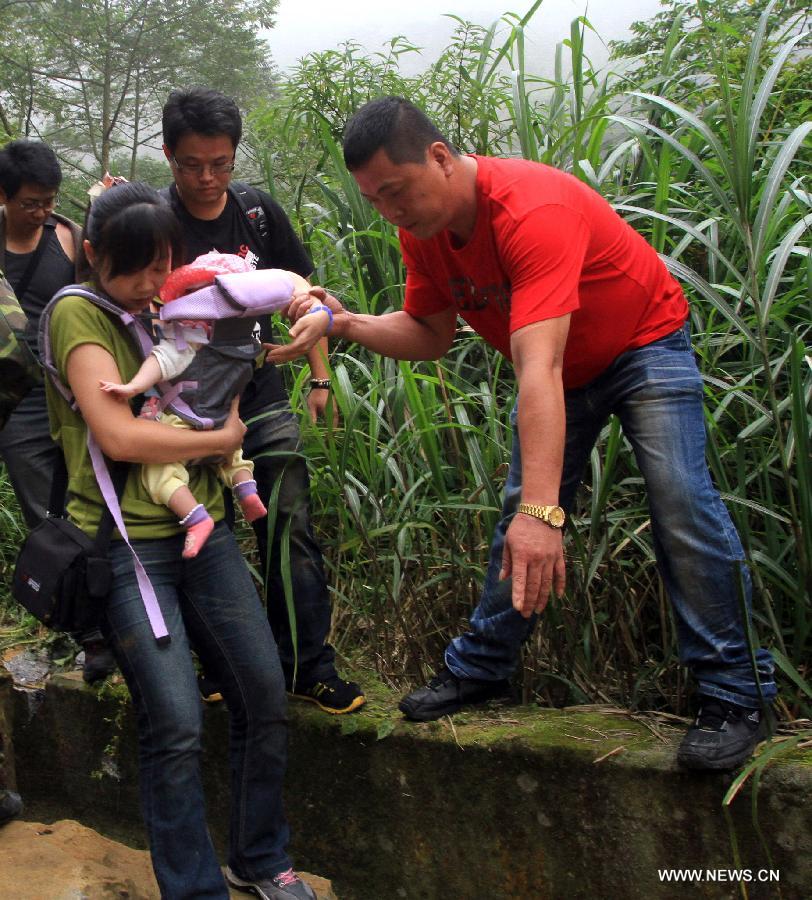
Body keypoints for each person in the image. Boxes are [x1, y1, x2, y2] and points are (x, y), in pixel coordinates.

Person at [271, 96, 777, 772]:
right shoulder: (421, 231)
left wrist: (546, 513)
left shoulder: (531, 209)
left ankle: (737, 694)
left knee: (678, 498)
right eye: (375, 200)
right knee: (519, 515)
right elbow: (428, 335)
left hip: (643, 344)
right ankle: (484, 667)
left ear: (442, 158)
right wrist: (344, 324)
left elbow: (539, 366)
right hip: (560, 367)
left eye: (396, 191)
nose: (389, 210)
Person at [45, 180, 316, 899]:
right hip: (126, 545)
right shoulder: (78, 313)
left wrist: (306, 314)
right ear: (94, 256)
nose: (149, 284)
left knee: (262, 694)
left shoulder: (171, 302)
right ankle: (195, 891)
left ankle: (260, 858)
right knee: (175, 720)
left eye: (161, 264)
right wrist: (227, 437)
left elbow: (248, 322)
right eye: (133, 270)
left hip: (205, 532)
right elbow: (118, 434)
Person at [160, 87, 364, 714]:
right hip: (183, 406)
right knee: (196, 532)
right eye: (192, 163)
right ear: (169, 155)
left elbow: (302, 301)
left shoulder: (256, 214)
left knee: (288, 525)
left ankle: (307, 665)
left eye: (220, 163)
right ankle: (217, 664)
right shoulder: (153, 221)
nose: (206, 177)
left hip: (262, 392)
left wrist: (320, 375)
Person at [99, 253, 315, 558]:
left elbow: (162, 361)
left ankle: (194, 518)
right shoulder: (244, 333)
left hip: (185, 416)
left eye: (191, 292)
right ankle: (246, 490)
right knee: (234, 458)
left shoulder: (192, 331)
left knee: (158, 470)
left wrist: (132, 386)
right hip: (224, 417)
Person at [0, 139, 115, 683]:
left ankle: (116, 618)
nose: (42, 212)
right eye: (30, 203)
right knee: (43, 514)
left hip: (70, 390)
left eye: (49, 201)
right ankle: (86, 631)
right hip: (15, 404)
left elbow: (92, 300)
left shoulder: (67, 236)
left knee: (91, 499)